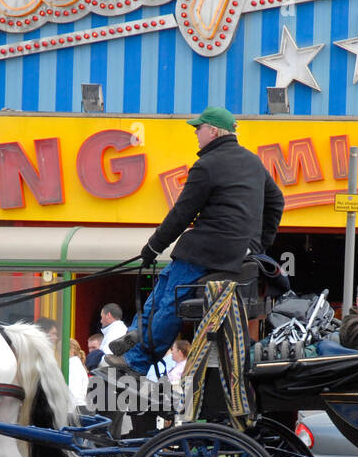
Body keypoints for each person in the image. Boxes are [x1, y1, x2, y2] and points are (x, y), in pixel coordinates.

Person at [105, 106, 285, 376]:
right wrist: (258, 245)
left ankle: (137, 360)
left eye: (198, 128)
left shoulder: (207, 165)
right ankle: (133, 340)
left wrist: (152, 248)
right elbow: (277, 202)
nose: (196, 133)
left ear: (213, 131)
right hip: (235, 252)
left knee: (169, 299)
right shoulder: (252, 161)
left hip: (207, 250)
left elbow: (181, 213)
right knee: (165, 285)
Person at [67, 338, 89, 411]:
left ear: (72, 350)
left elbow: (73, 392)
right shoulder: (75, 364)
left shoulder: (73, 366)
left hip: (75, 409)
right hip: (77, 407)